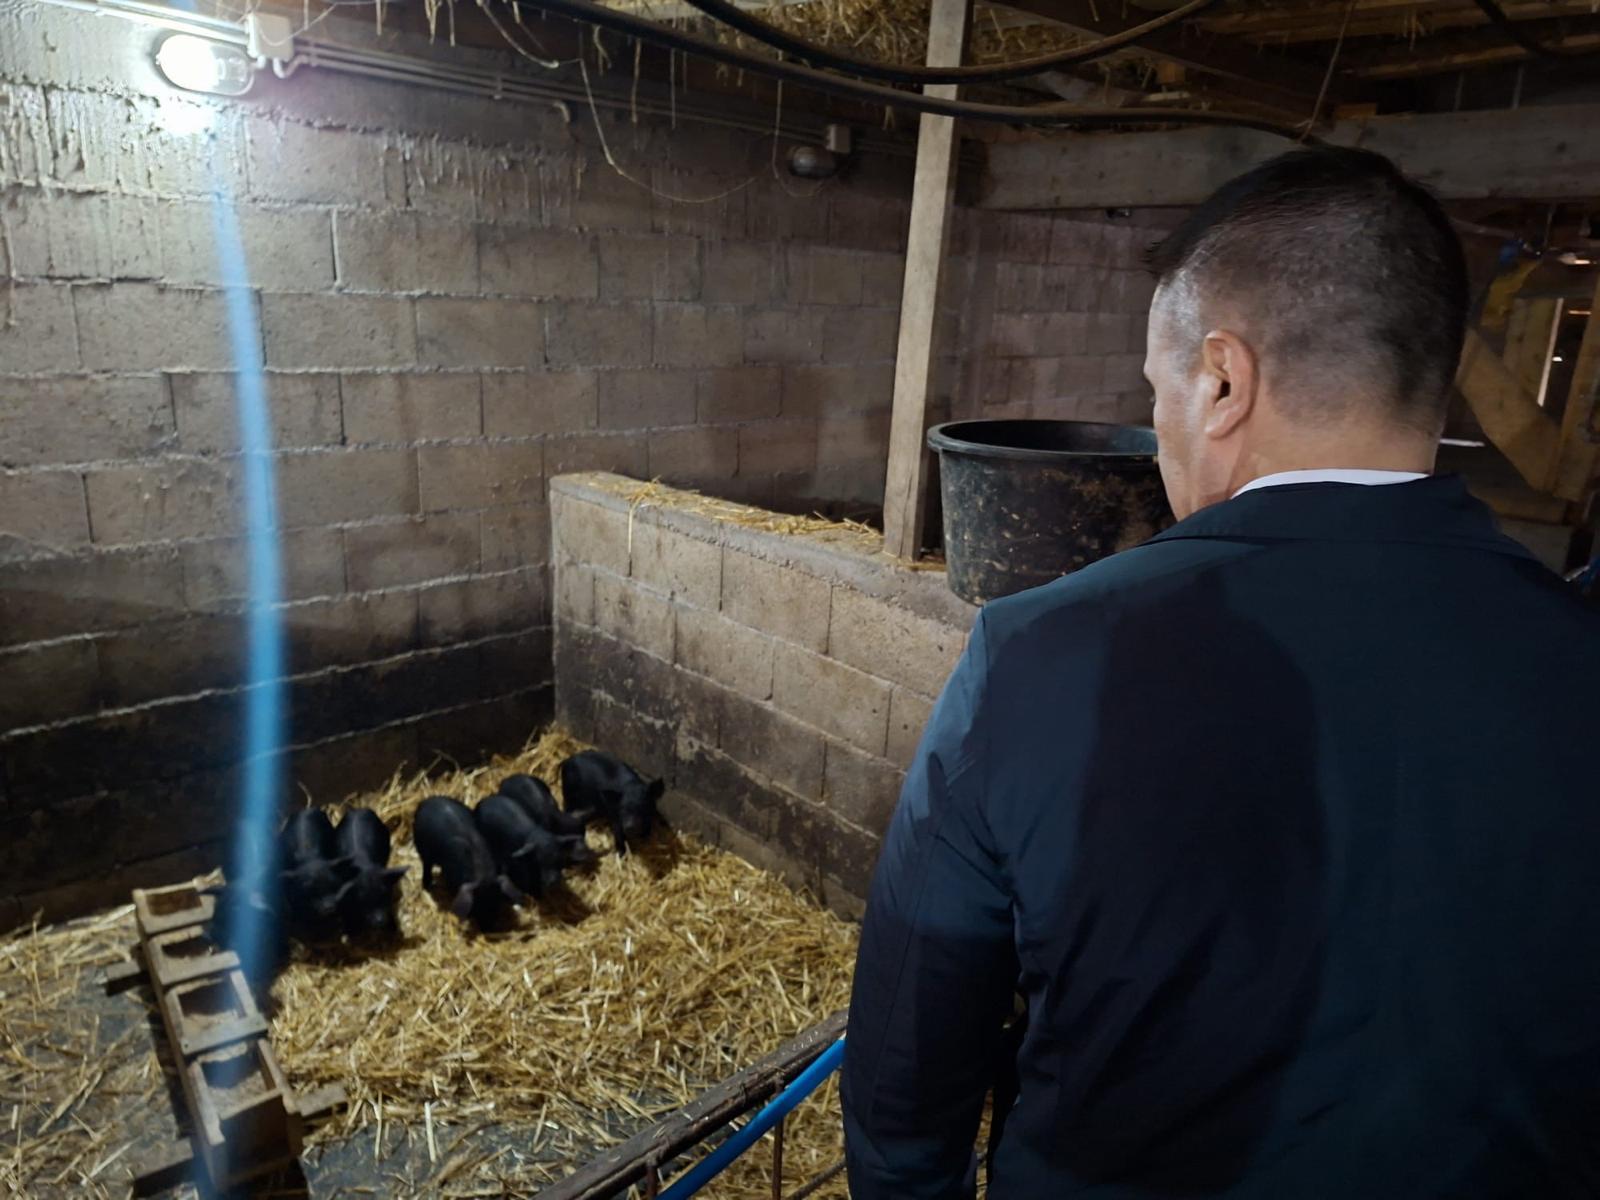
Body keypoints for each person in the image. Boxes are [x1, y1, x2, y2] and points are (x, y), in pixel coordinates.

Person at [842, 146, 1600, 1198]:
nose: (1159, 429)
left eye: (1157, 391)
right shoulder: (1574, 650)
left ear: (1223, 381)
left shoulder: (1036, 655)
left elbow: (907, 1068)